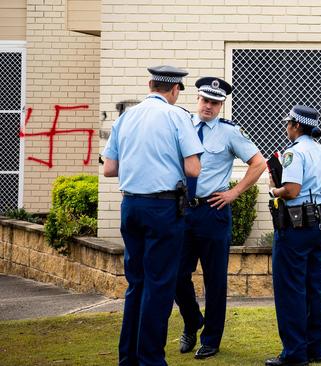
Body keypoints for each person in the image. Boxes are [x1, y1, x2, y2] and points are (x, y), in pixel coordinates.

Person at [102, 65, 204, 366]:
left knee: (137, 284)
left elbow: (109, 169)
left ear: (150, 85)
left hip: (131, 206)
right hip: (162, 208)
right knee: (160, 284)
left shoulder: (127, 116)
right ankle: (151, 360)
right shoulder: (177, 116)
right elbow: (193, 169)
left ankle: (129, 359)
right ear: (174, 90)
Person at [174, 76, 266, 359]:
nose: (209, 107)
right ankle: (192, 321)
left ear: (222, 105)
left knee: (215, 280)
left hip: (213, 212)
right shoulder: (182, 124)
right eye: (205, 100)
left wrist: (234, 192)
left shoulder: (229, 132)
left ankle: (211, 338)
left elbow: (259, 163)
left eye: (215, 103)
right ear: (197, 99)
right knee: (176, 274)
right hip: (182, 210)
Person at [265, 105, 321, 366]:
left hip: (297, 226)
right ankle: (315, 347)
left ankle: (294, 353)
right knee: (314, 285)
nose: (286, 128)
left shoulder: (294, 152)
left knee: (290, 288)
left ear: (296, 125)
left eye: (288, 124)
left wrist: (274, 189)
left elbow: (292, 190)